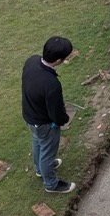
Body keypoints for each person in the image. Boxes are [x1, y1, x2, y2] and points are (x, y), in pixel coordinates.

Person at [22, 36, 75, 194]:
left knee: (38, 141)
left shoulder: (32, 61)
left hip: (30, 116)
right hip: (44, 124)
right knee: (47, 151)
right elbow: (56, 113)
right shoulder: (51, 84)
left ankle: (40, 169)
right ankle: (51, 184)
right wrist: (64, 119)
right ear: (58, 60)